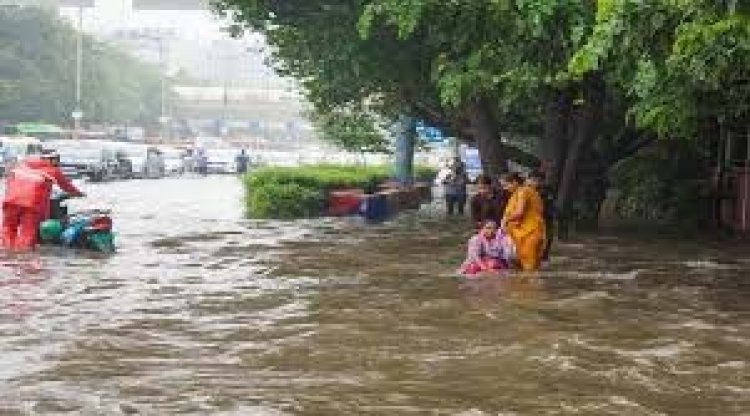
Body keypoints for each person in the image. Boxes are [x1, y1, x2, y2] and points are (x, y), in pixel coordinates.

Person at [2, 151, 83, 250]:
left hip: (11, 200)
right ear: (51, 160)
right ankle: (23, 256)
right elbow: (66, 186)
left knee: (8, 228)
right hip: (31, 204)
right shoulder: (53, 170)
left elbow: (9, 179)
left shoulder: (22, 164)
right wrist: (79, 194)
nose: (57, 163)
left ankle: (6, 251)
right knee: (28, 231)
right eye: (57, 160)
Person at [500, 172, 546, 271]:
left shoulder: (522, 191)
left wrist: (505, 220)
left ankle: (529, 286)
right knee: (529, 267)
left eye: (506, 185)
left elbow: (520, 212)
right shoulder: (530, 191)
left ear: (515, 182)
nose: (505, 188)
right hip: (531, 231)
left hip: (529, 232)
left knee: (529, 269)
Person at [526, 170, 556, 261]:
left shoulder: (547, 190)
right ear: (529, 179)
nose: (535, 182)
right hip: (530, 219)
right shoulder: (524, 189)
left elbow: (549, 203)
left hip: (546, 217)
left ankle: (544, 256)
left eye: (538, 180)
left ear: (542, 181)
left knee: (547, 237)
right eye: (533, 180)